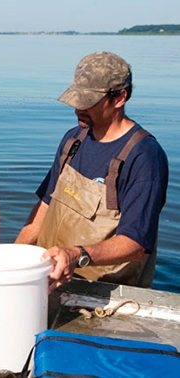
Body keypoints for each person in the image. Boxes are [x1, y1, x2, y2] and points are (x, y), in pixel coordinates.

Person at [16, 51, 168, 289]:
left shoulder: (144, 156)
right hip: (50, 279)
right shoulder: (72, 141)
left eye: (87, 102)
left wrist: (76, 256)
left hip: (103, 291)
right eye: (76, 99)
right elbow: (44, 210)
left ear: (120, 98)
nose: (78, 109)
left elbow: (135, 244)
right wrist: (12, 260)